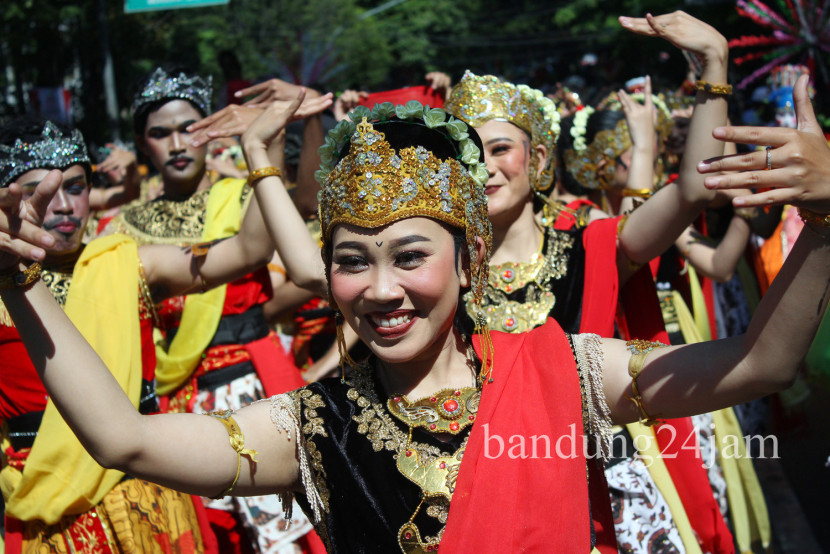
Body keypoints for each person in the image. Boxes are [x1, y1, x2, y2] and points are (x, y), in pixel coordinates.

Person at [0, 112, 306, 552]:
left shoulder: (127, 262)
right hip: (49, 509)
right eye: (37, 192)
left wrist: (263, 148)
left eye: (76, 187)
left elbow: (249, 249)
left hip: (152, 495)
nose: (64, 206)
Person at [102, 66, 328, 553]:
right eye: (160, 133)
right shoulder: (119, 230)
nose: (178, 143)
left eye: (190, 127)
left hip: (255, 381)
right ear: (144, 144)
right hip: (175, 397)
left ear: (215, 129)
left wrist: (305, 117)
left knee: (288, 535)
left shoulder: (245, 192)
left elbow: (308, 199)